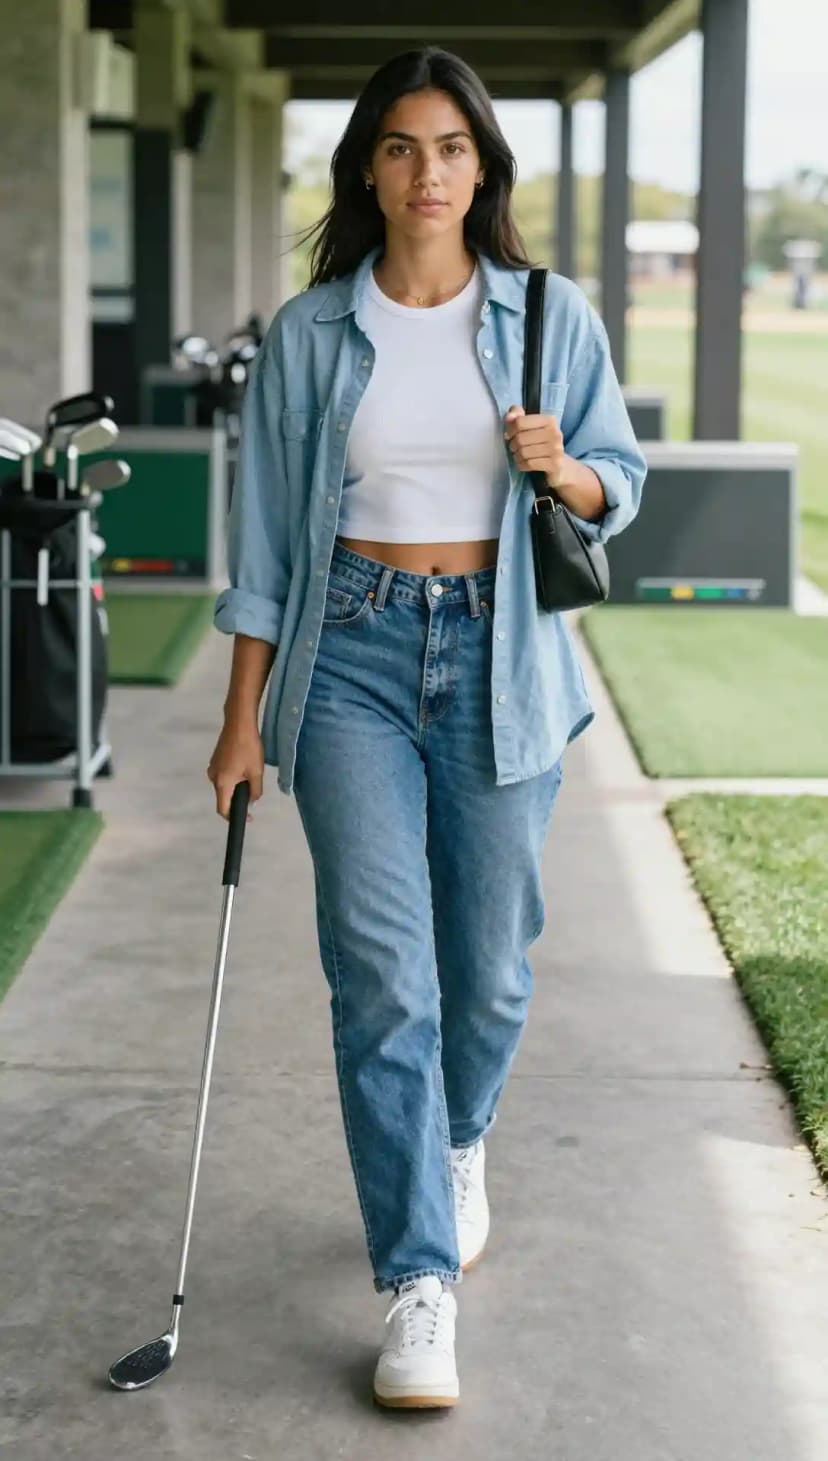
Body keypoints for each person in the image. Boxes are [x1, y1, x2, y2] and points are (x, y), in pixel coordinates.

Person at [207, 45, 647, 1411]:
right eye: (400, 147)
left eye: (452, 147)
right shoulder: (310, 334)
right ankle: (419, 1282)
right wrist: (240, 724)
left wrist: (558, 465)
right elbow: (269, 542)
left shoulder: (546, 315)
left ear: (483, 168)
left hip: (501, 649)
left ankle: (460, 1140)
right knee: (385, 970)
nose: (427, 173)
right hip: (349, 657)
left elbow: (615, 480)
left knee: (492, 963)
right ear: (366, 169)